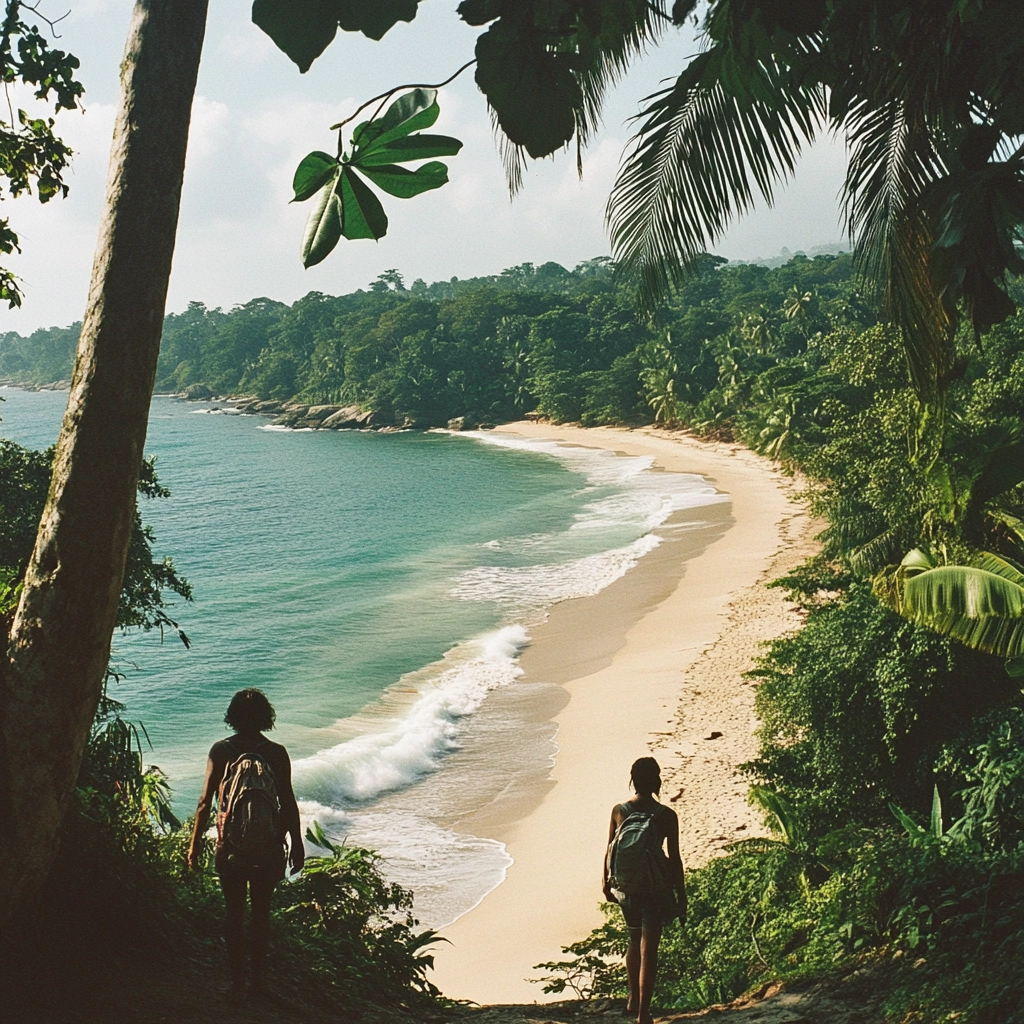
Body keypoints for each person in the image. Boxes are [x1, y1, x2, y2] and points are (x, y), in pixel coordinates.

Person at [187, 688, 304, 1003]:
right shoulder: (277, 752)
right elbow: (288, 802)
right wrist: (297, 843)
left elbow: (203, 803)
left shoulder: (221, 750)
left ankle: (237, 986)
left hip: (231, 848)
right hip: (268, 847)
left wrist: (194, 847)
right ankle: (258, 984)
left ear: (233, 716)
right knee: (261, 915)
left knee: (235, 914)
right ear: (267, 717)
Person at [603, 757, 686, 1024]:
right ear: (657, 781)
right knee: (649, 948)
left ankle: (633, 999)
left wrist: (606, 881)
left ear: (633, 780)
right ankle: (644, 1014)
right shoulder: (666, 816)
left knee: (633, 940)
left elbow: (609, 848)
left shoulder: (619, 810)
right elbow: (674, 858)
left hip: (627, 887)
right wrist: (681, 897)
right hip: (655, 887)